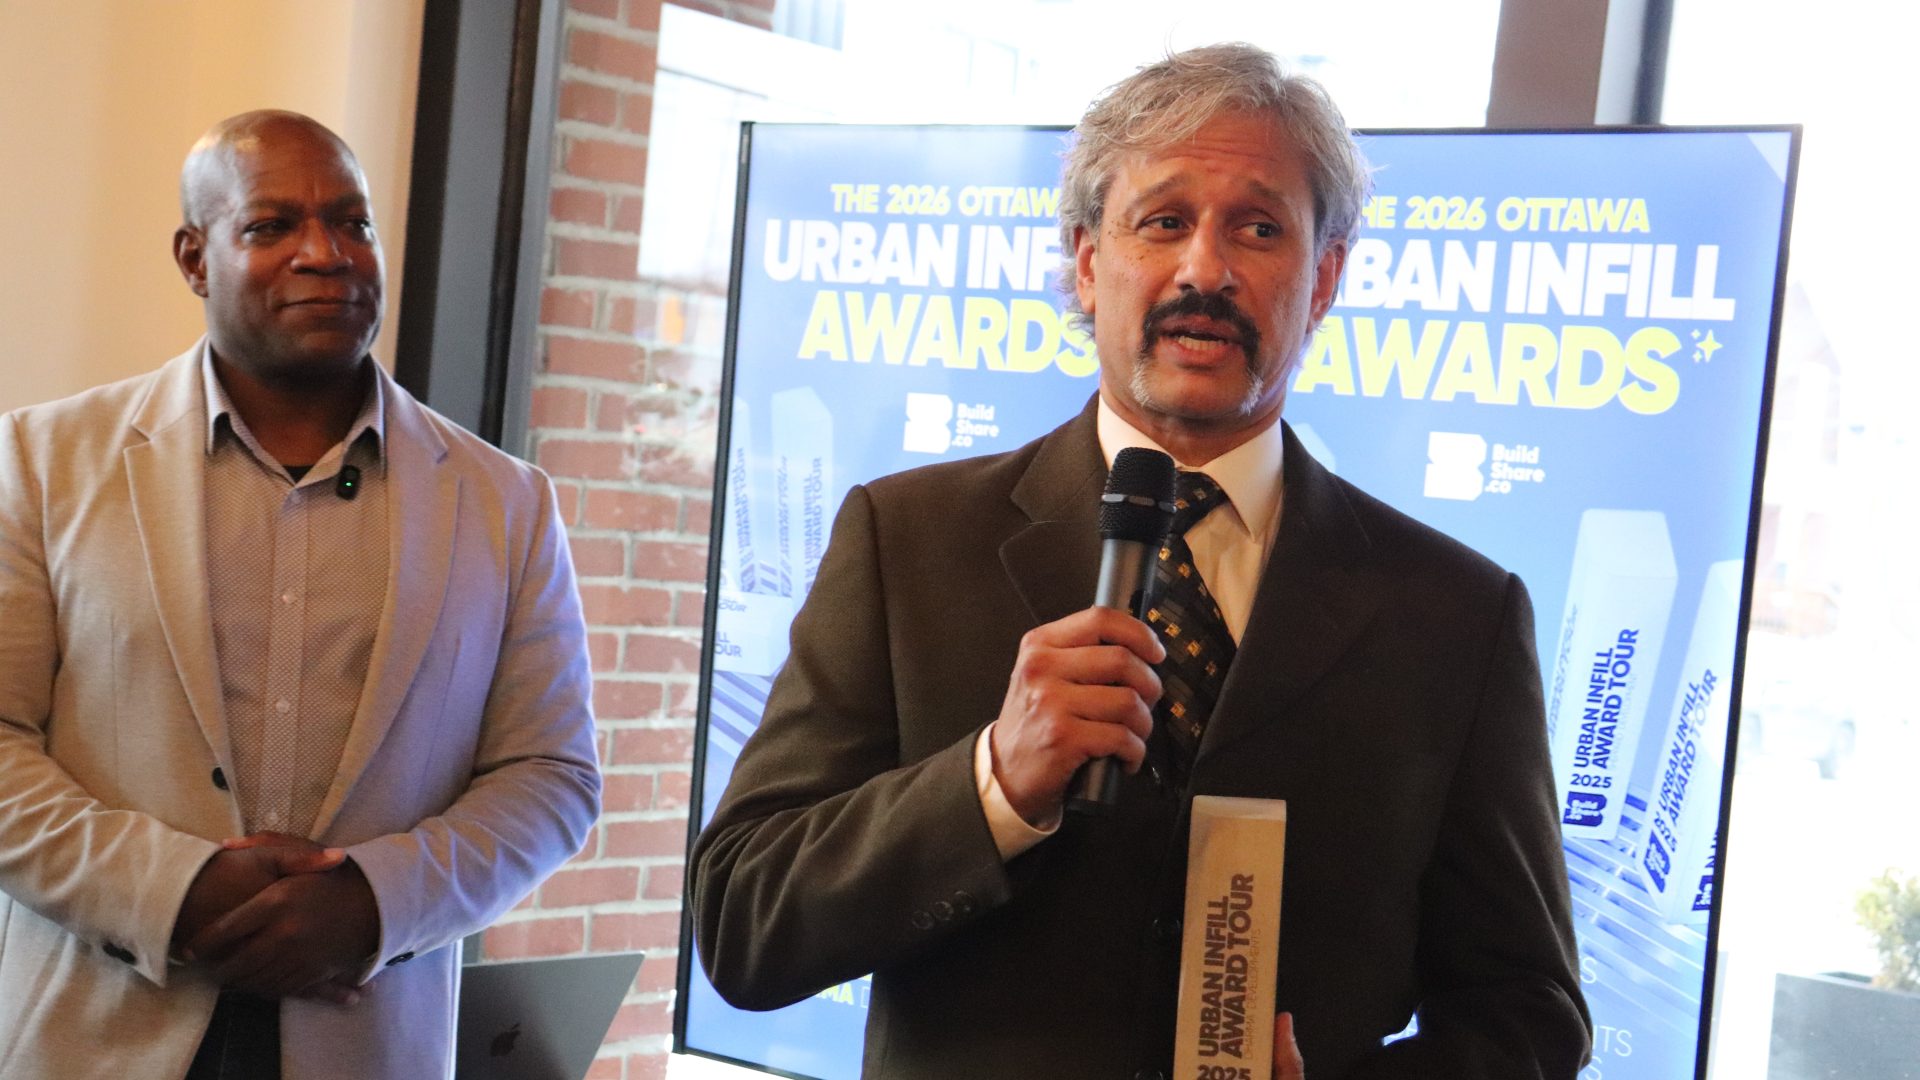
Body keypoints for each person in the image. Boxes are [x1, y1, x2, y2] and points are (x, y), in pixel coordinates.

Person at [690, 44, 1591, 1079]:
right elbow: (745, 921)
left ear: (1324, 278)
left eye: (1259, 229)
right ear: (1086, 260)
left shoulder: (1456, 614)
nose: (1205, 270)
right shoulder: (908, 539)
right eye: (1163, 221)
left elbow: (1530, 1014)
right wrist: (993, 782)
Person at [0, 111, 601, 1079]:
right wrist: (173, 892)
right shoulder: (41, 462)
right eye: (271, 225)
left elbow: (552, 777)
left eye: (352, 222)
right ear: (195, 259)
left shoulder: (506, 502)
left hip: (367, 1033)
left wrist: (375, 903)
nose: (325, 253)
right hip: (94, 1032)